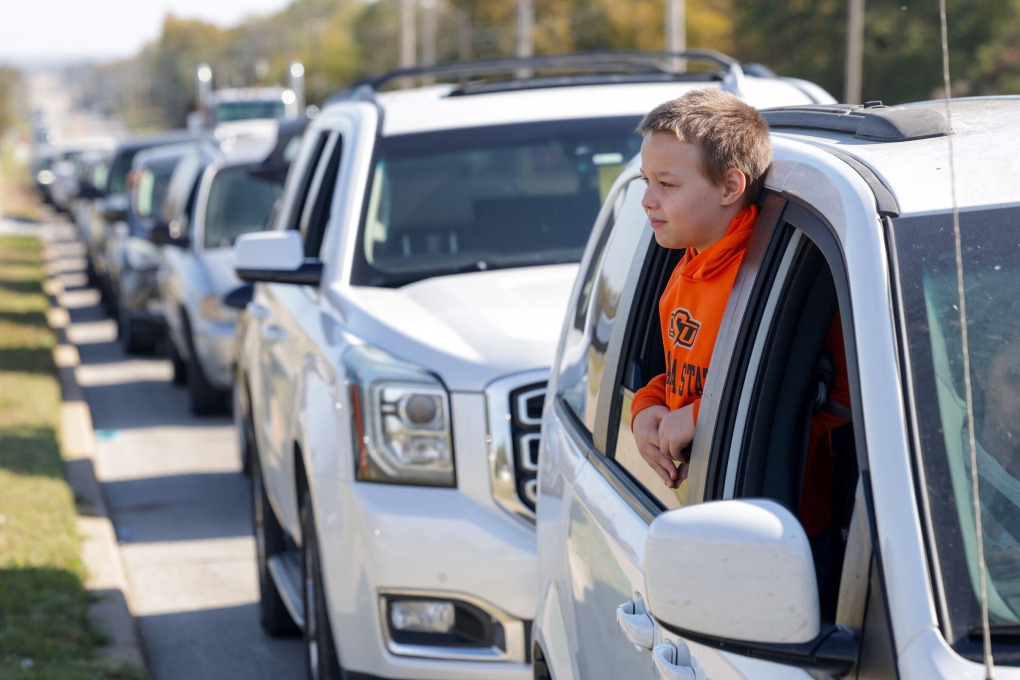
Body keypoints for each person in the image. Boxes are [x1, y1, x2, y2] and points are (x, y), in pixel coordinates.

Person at [630, 88, 772, 489]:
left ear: (729, 188)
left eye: (666, 184)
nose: (646, 199)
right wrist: (647, 405)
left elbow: (823, 398)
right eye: (645, 180)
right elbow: (687, 380)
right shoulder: (686, 268)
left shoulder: (765, 277)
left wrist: (700, 417)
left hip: (769, 506)